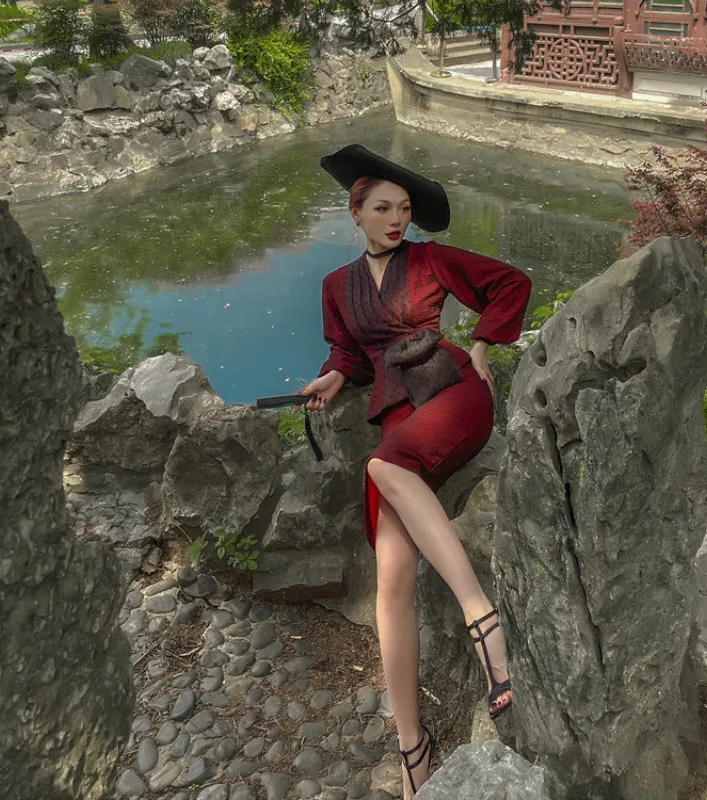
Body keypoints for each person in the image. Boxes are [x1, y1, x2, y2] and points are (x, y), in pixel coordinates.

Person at [301, 144, 532, 799]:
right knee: (391, 583)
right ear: (356, 213)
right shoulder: (336, 286)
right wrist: (333, 376)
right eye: (383, 208)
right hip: (398, 418)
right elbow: (349, 352)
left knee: (382, 465)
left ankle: (482, 618)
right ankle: (412, 750)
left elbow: (511, 283)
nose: (397, 219)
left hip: (452, 390)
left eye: (404, 209)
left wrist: (482, 342)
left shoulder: (430, 260)